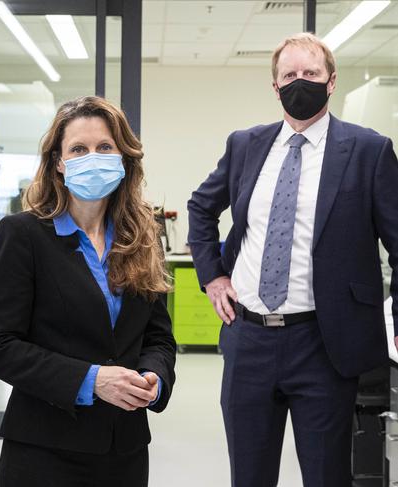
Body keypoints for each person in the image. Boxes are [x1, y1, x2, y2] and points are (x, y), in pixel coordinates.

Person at [187, 32, 398, 487]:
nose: (299, 81)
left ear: (331, 81)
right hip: (248, 341)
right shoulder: (246, 144)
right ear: (275, 85)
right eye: (290, 74)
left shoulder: (368, 150)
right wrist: (213, 277)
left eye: (311, 73)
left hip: (323, 344)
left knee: (326, 476)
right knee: (249, 475)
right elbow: (201, 207)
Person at [0, 96, 177, 487]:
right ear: (59, 162)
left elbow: (158, 337)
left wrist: (154, 378)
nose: (93, 157)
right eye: (79, 149)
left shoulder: (142, 238)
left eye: (105, 147)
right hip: (44, 449)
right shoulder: (23, 235)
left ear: (124, 159)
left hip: (125, 449)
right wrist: (92, 380)